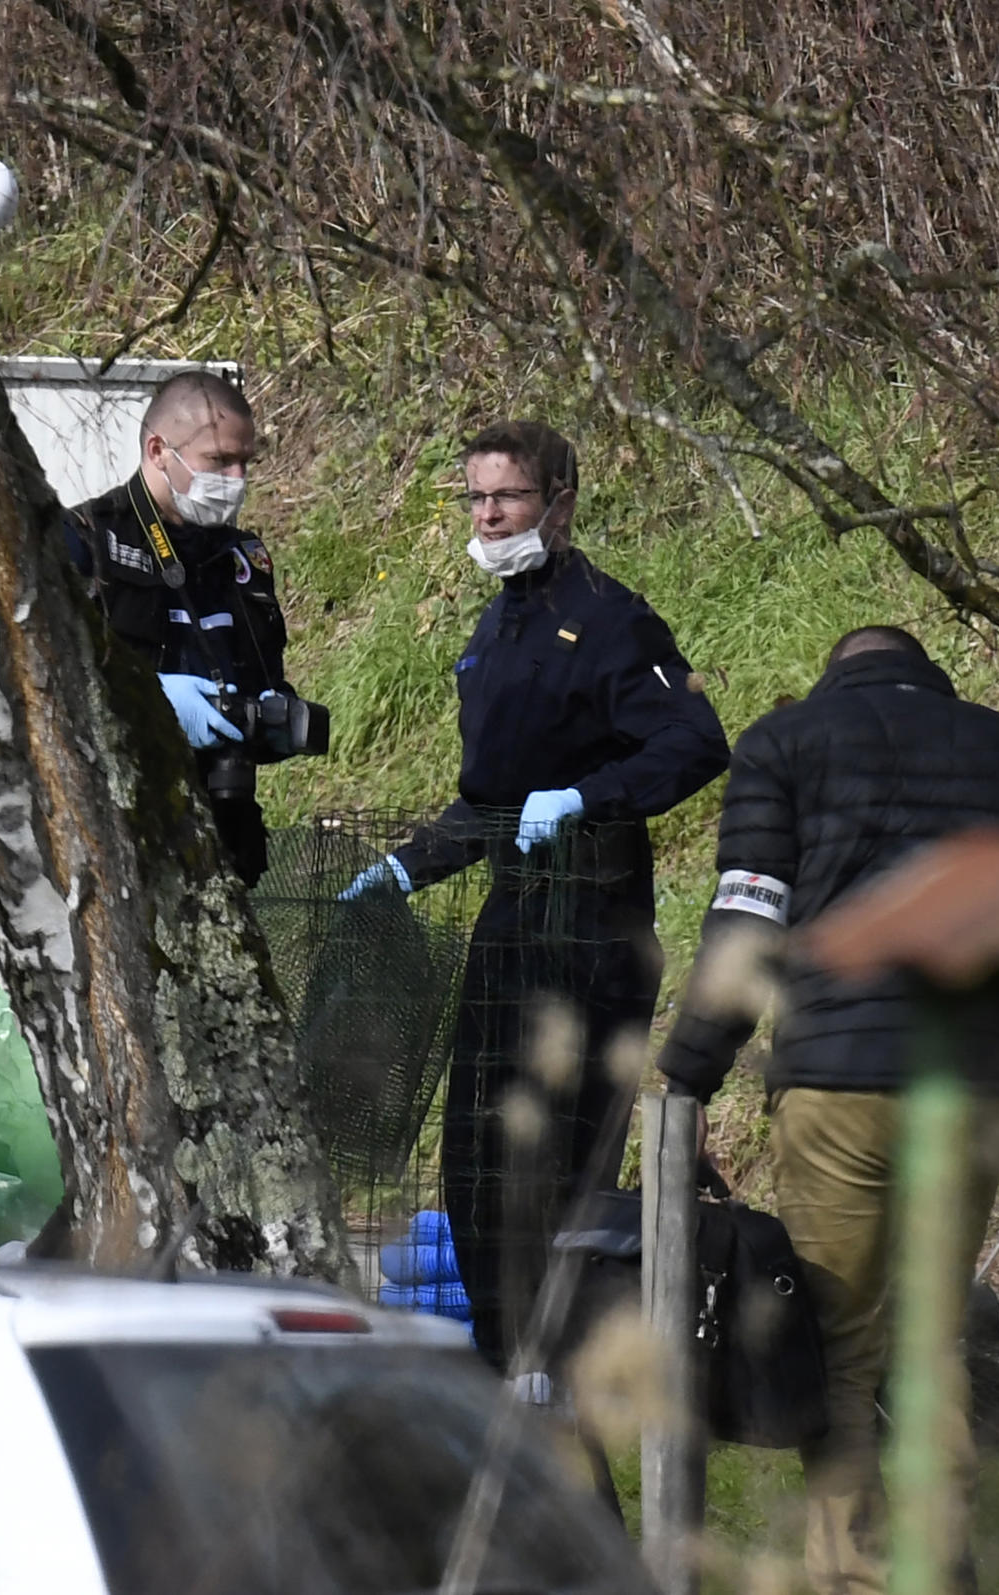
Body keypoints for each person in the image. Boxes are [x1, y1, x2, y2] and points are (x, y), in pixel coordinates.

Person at [657, 625, 999, 1594]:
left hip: (837, 1084)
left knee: (842, 1342)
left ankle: (852, 1575)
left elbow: (747, 919)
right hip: (973, 1085)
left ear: (835, 676)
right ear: (930, 684)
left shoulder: (786, 745)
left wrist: (691, 1077)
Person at [347, 420, 729, 1372]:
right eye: (475, 498)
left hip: (591, 937)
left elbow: (692, 742)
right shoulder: (496, 624)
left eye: (506, 498)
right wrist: (409, 864)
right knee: (475, 1162)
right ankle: (498, 1357)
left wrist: (589, 798)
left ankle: (554, 1369)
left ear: (558, 502)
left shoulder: (610, 618)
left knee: (553, 1172)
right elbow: (488, 798)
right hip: (511, 926)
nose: (487, 515)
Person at [61, 370, 314, 884]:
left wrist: (274, 723)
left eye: (247, 462)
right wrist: (146, 698)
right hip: (117, 837)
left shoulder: (239, 557)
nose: (238, 479)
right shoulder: (86, 542)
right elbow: (45, 685)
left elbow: (263, 682)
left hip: (222, 834)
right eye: (220, 461)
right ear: (158, 450)